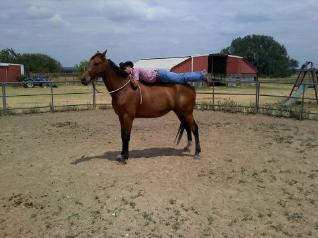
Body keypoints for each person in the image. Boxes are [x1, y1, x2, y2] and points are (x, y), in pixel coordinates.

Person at [119, 61, 207, 88]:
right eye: (123, 69)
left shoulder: (135, 71)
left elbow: (135, 85)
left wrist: (130, 78)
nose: (124, 70)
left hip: (160, 75)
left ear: (128, 67)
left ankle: (202, 75)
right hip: (159, 78)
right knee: (180, 78)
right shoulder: (134, 72)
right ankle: (200, 74)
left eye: (124, 68)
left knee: (181, 78)